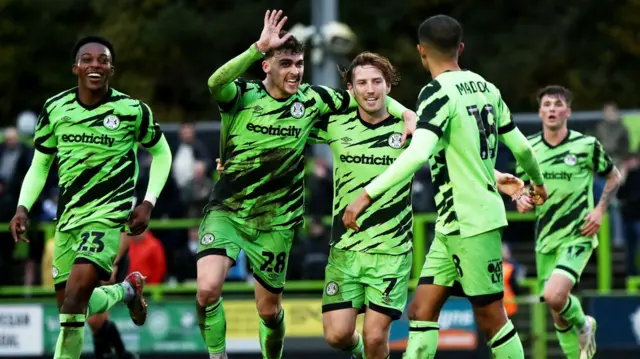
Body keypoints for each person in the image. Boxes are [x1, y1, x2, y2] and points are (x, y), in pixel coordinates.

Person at [195, 10, 416, 359]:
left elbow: (369, 95)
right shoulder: (242, 96)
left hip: (277, 221)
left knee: (269, 311)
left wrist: (407, 113)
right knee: (207, 289)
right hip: (228, 210)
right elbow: (214, 83)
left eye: (299, 63)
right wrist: (257, 47)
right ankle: (218, 355)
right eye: (285, 63)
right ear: (266, 66)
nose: (296, 70)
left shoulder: (313, 101)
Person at [342, 15, 547, 359]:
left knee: (491, 317)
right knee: (421, 311)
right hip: (451, 225)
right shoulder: (486, 87)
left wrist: (365, 194)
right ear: (460, 48)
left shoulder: (436, 93)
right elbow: (521, 149)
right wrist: (532, 183)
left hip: (474, 223)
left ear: (421, 51)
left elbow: (418, 153)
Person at [8, 35, 173, 359]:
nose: (95, 64)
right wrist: (22, 207)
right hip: (68, 219)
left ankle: (124, 291)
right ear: (76, 67)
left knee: (74, 301)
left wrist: (148, 202)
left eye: (103, 59)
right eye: (88, 59)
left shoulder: (131, 110)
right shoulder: (55, 108)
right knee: (70, 312)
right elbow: (40, 164)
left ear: (111, 68)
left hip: (108, 216)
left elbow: (163, 154)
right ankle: (127, 290)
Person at [515, 85, 622, 359]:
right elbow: (523, 190)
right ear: (540, 112)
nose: (552, 109)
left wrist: (599, 211)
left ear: (568, 112)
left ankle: (586, 323)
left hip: (578, 234)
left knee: (554, 296)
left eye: (557, 104)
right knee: (558, 313)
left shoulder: (586, 145)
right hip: (546, 239)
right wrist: (522, 200)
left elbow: (614, 176)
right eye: (547, 104)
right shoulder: (528, 149)